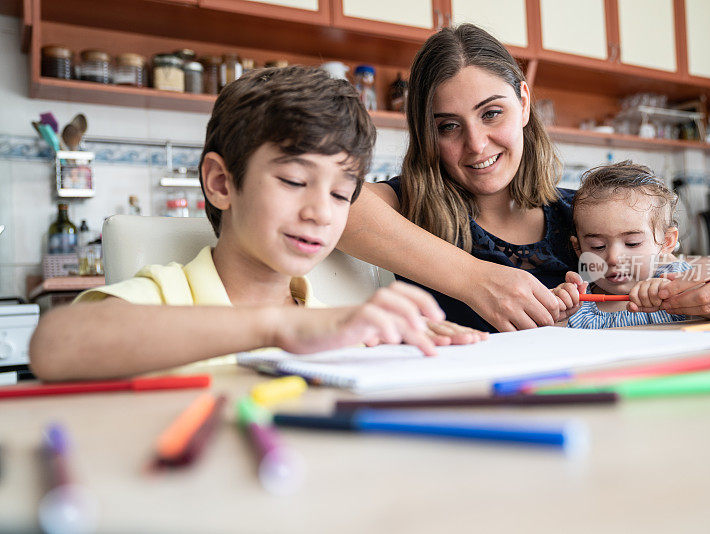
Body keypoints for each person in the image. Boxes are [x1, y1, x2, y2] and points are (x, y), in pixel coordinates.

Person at [29, 67, 486, 382]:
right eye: (292, 180)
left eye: (341, 193)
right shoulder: (169, 294)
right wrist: (275, 328)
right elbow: (53, 345)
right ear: (222, 183)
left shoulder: (327, 321)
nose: (321, 213)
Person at [337, 24, 710, 332]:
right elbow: (337, 202)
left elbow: (683, 277)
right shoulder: (410, 207)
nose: (476, 144)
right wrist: (474, 279)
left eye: (492, 113)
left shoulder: (585, 215)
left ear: (523, 102)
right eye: (448, 126)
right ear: (426, 132)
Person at [551, 161, 710, 328]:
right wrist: (557, 311)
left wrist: (678, 296)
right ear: (579, 249)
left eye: (632, 243)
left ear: (667, 242)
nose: (614, 258)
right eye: (597, 246)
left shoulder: (680, 281)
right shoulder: (579, 305)